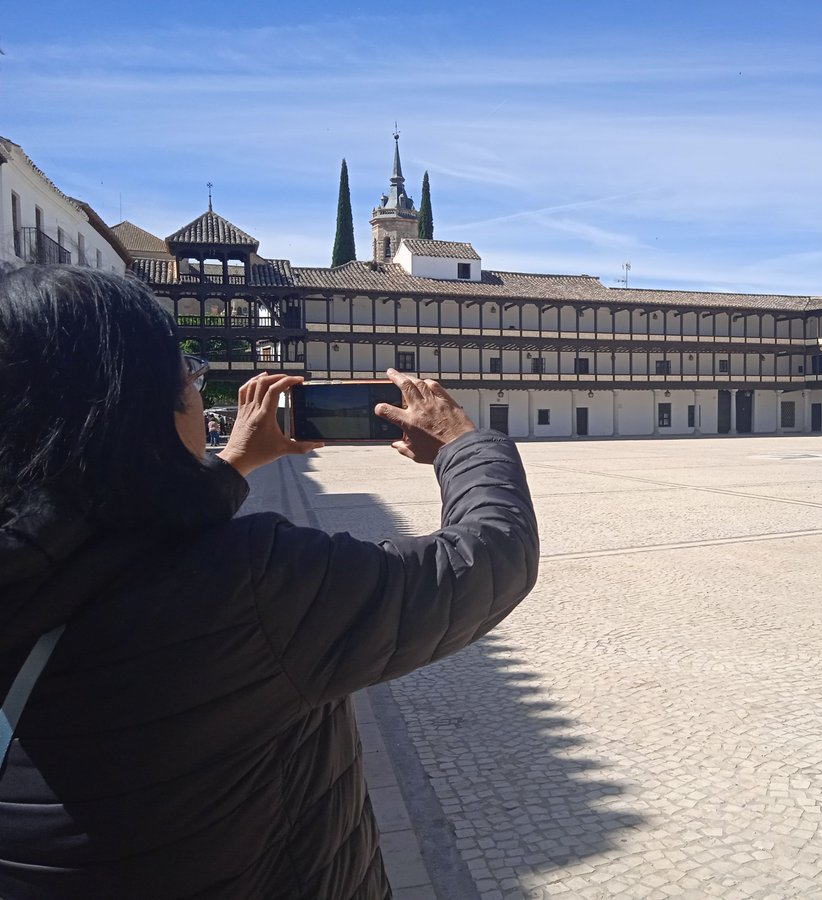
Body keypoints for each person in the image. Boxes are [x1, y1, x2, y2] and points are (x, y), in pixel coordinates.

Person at [0, 266, 539, 899]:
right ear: (144, 406)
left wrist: (230, 466)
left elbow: (108, 531)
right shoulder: (249, 585)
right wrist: (463, 445)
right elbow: (487, 562)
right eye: (191, 377)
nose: (199, 395)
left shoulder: (33, 560)